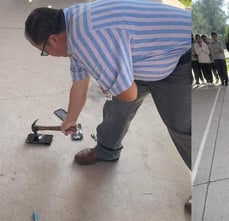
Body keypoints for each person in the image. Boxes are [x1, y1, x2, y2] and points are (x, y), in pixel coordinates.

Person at [25, 1, 191, 167]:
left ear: (53, 40)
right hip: (143, 55)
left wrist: (110, 86)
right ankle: (106, 151)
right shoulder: (70, 24)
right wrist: (71, 120)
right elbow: (79, 84)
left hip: (180, 55)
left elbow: (128, 94)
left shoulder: (88, 41)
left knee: (182, 126)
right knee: (115, 110)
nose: (48, 54)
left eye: (44, 51)